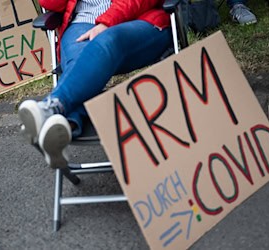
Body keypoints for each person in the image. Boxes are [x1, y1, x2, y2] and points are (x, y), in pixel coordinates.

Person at [18, 0, 172, 169]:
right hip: (82, 23)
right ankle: (61, 127)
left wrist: (107, 22)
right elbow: (52, 3)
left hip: (139, 21)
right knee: (78, 62)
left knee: (108, 40)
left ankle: (51, 107)